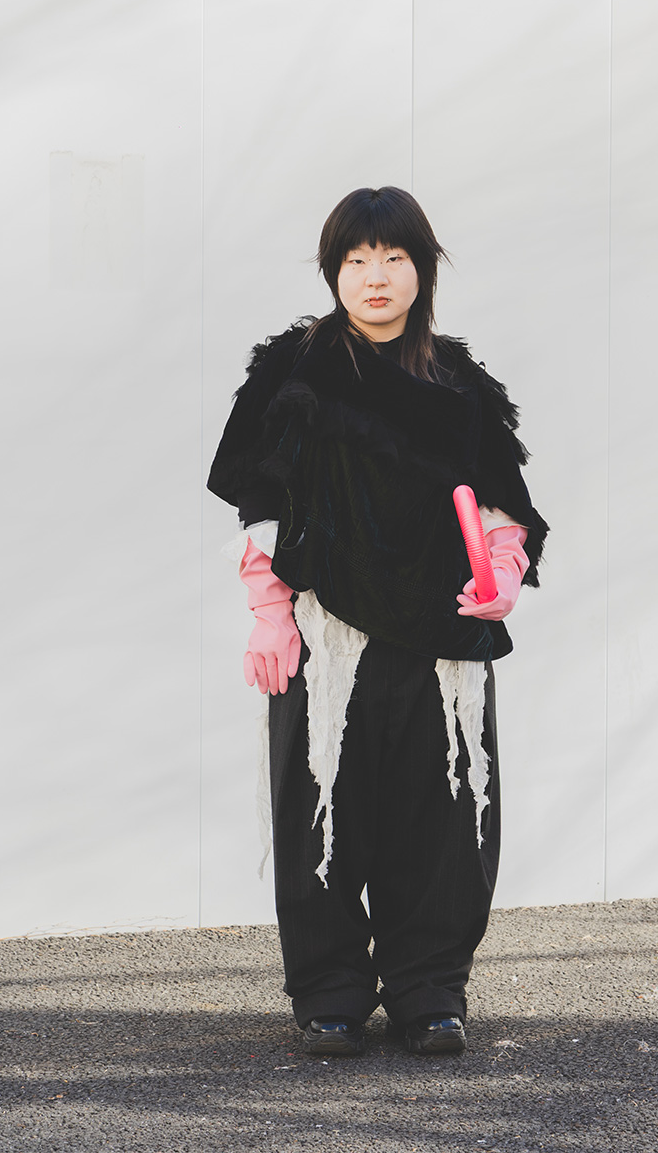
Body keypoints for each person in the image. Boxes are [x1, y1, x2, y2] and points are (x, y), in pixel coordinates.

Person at [207, 186, 547, 1057]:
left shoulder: (458, 382)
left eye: (394, 257)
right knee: (323, 806)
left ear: (422, 269)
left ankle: (431, 990)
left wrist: (505, 573)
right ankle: (330, 993)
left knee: (442, 817)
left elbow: (501, 503)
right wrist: (269, 612)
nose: (375, 276)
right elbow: (261, 500)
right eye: (355, 259)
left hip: (441, 635)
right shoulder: (296, 368)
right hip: (327, 635)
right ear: (333, 272)